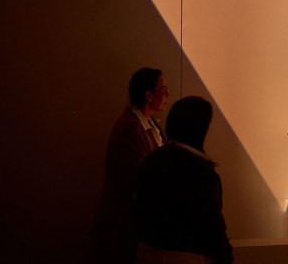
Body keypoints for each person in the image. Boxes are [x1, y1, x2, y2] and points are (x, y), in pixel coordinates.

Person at [135, 96, 232, 264]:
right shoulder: (201, 172)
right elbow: (211, 227)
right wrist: (226, 257)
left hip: (148, 253)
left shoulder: (154, 159)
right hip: (189, 256)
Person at [90, 68, 168, 264]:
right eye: (163, 89)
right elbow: (141, 180)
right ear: (149, 95)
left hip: (135, 227)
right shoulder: (130, 127)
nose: (167, 94)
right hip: (123, 229)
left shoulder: (149, 125)